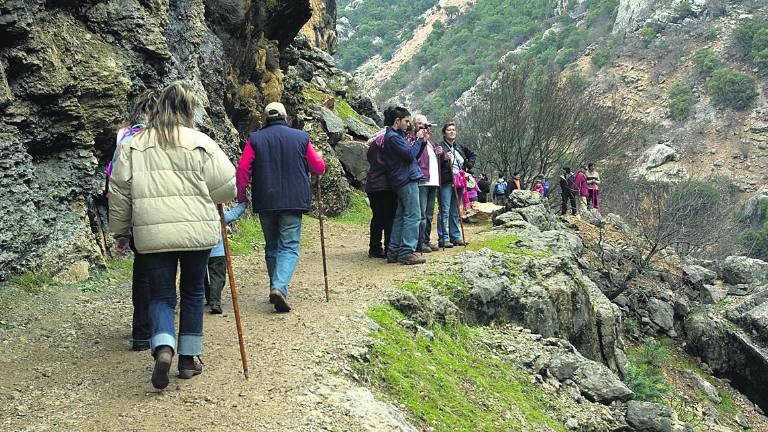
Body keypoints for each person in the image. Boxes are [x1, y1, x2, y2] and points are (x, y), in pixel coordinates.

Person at [109, 81, 237, 390]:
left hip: (152, 234)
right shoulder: (202, 142)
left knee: (162, 295)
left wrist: (120, 231)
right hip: (197, 232)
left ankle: (164, 348)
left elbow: (119, 191)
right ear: (188, 110)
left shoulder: (133, 145)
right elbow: (227, 187)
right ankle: (188, 359)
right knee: (193, 293)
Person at [236, 102, 326, 312]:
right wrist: (320, 160)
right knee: (289, 245)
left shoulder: (255, 138)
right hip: (293, 201)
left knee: (272, 245)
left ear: (265, 118)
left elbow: (242, 169)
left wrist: (242, 196)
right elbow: (318, 167)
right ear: (285, 117)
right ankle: (279, 286)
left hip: (266, 200)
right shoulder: (301, 138)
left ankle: (275, 286)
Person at [110, 89, 160, 352]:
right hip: (164, 211)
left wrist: (121, 231)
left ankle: (140, 333)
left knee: (142, 271)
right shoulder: (168, 136)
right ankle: (161, 330)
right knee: (164, 271)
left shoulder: (125, 137)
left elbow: (117, 183)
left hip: (137, 212)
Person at [381, 106, 427, 265]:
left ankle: (393, 252)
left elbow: (413, 156)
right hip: (406, 179)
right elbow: (409, 156)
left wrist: (421, 142)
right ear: (397, 121)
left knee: (401, 216)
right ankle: (407, 251)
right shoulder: (393, 137)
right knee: (413, 215)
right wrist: (418, 140)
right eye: (406, 121)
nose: (409, 124)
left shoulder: (395, 136)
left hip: (402, 179)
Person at [437, 121, 475, 247]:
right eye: (449, 129)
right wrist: (443, 159)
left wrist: (468, 167)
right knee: (445, 209)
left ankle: (455, 236)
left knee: (455, 210)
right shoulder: (440, 146)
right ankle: (443, 238)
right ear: (444, 133)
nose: (452, 131)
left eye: (454, 129)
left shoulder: (459, 147)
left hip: (459, 181)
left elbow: (472, 155)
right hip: (446, 181)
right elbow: (434, 163)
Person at [205, 202, 246, 314]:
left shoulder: (196, 214)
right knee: (218, 278)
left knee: (200, 277)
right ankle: (215, 302)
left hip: (199, 251)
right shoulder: (219, 214)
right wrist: (243, 204)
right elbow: (233, 214)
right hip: (217, 253)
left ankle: (206, 297)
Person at [365, 130, 397, 258]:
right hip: (387, 185)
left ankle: (374, 248)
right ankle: (389, 247)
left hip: (373, 184)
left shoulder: (373, 145)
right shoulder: (390, 143)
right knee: (389, 217)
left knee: (377, 217)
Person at [413, 115, 441, 253]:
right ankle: (420, 242)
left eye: (425, 124)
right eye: (419, 123)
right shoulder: (413, 139)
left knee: (430, 214)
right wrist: (419, 139)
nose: (423, 126)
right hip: (422, 181)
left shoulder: (431, 142)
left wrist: (441, 153)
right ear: (414, 125)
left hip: (433, 181)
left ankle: (427, 240)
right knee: (421, 214)